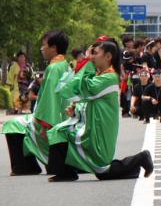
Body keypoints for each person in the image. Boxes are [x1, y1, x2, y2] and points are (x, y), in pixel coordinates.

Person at [47, 39, 154, 182]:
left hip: (100, 128)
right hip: (94, 124)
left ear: (108, 56)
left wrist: (87, 62)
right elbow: (87, 99)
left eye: (95, 53)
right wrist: (76, 109)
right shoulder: (102, 75)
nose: (92, 56)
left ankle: (140, 158)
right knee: (59, 131)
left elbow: (84, 88)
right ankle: (66, 172)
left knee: (102, 169)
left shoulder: (109, 77)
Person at [2, 31, 71, 175]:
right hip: (62, 117)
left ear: (54, 47)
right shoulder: (65, 64)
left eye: (44, 45)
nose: (42, 48)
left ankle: (25, 166)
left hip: (51, 120)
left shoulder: (53, 68)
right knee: (19, 122)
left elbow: (50, 98)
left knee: (12, 124)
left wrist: (46, 125)